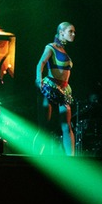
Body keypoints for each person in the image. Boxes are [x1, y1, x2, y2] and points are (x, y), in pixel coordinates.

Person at [35, 22, 77, 155]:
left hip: (64, 90)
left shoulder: (64, 51)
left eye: (74, 32)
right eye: (70, 31)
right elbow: (41, 63)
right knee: (44, 127)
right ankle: (34, 158)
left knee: (67, 126)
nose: (73, 34)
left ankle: (71, 158)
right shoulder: (51, 47)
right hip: (50, 88)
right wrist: (38, 79)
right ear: (61, 32)